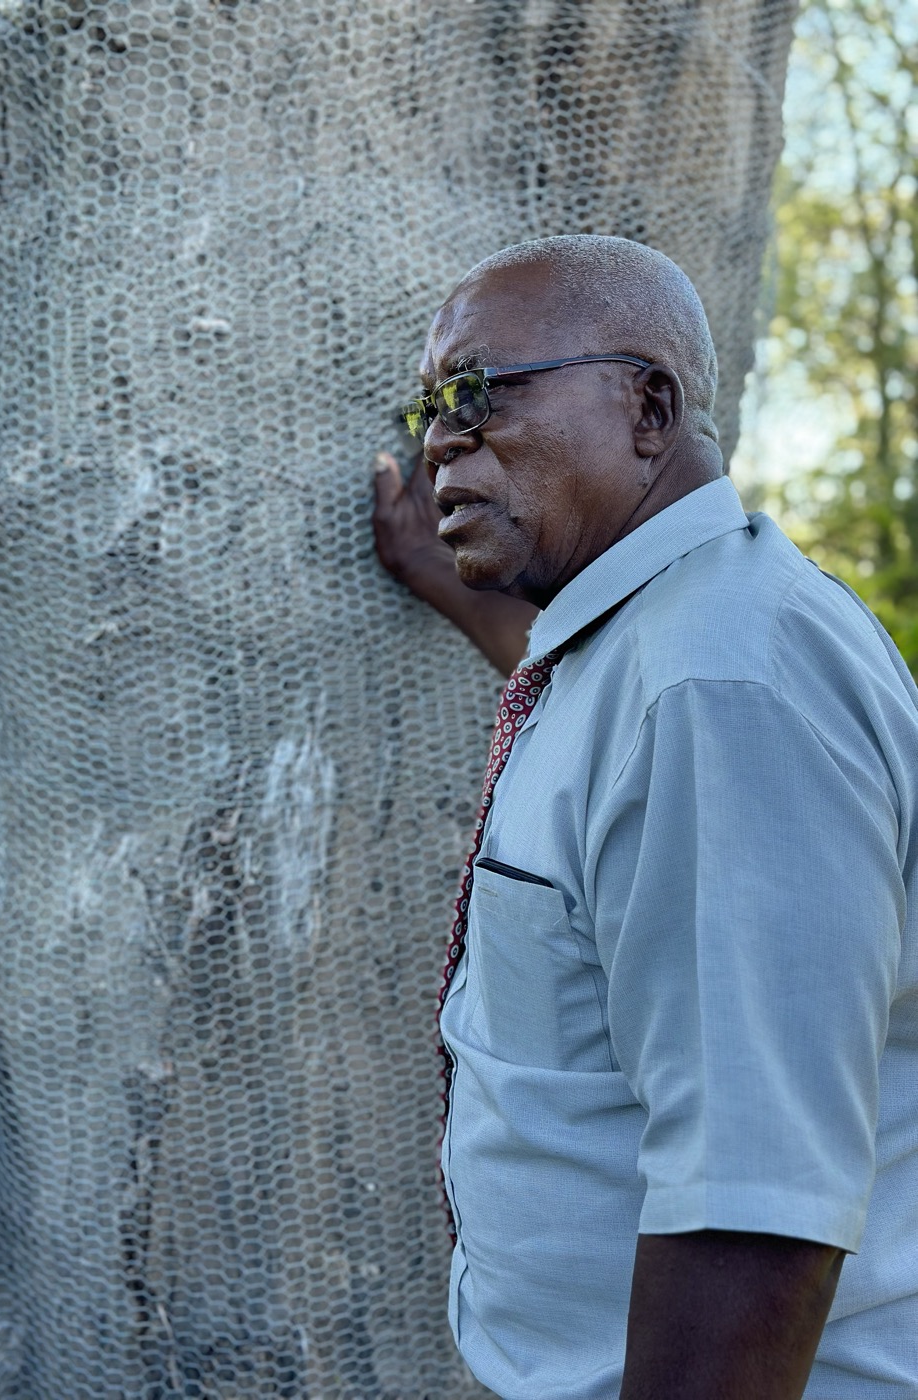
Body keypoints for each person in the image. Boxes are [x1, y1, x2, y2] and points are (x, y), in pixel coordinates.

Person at [372, 235, 918, 1400]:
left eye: (477, 392)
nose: (439, 436)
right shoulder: (643, 648)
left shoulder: (719, 692)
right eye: (426, 406)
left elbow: (754, 1208)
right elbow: (604, 760)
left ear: (650, 407)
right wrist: (456, 585)